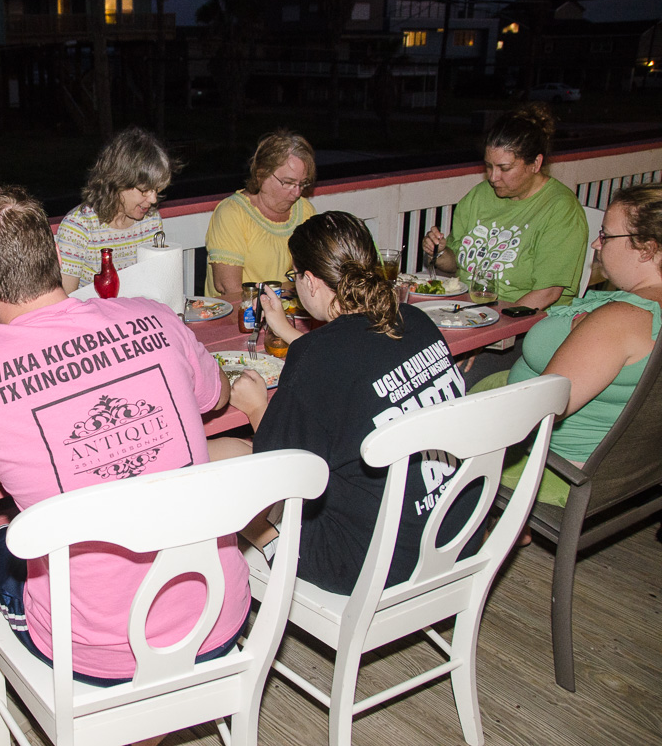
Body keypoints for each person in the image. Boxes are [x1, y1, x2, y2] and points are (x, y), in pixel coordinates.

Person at [0, 186, 244, 699]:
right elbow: (216, 397)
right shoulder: (155, 315)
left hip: (94, 655)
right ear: (57, 255)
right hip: (218, 615)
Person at [223, 211, 478, 595]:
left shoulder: (318, 356)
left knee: (220, 463)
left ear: (309, 280)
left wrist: (257, 407)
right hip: (455, 533)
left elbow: (280, 473)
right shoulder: (414, 320)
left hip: (374, 562)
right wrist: (290, 335)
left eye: (295, 278)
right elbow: (360, 364)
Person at [476, 183, 662, 508]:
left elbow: (536, 412)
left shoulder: (619, 320)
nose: (596, 243)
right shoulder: (638, 311)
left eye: (606, 235)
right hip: (632, 465)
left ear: (646, 249)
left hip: (552, 465)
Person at [423, 103, 589, 309]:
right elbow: (455, 264)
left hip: (526, 320)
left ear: (536, 164)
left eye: (505, 168)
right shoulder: (479, 196)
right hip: (469, 308)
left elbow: (548, 293)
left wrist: (499, 325)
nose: (493, 177)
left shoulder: (561, 209)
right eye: (488, 166)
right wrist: (439, 252)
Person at [56, 126, 177, 293]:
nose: (153, 199)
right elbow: (65, 300)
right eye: (145, 190)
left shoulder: (151, 220)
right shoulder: (79, 227)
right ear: (118, 181)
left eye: (157, 190)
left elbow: (156, 287)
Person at [204, 130, 317, 297]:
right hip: (244, 317)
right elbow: (228, 288)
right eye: (288, 183)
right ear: (261, 174)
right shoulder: (232, 213)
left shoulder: (305, 210)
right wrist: (288, 291)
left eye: (303, 183)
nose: (297, 192)